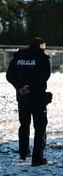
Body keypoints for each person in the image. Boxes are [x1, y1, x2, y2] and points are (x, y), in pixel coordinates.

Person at [6, 37, 51, 167]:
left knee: (24, 124)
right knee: (40, 126)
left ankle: (23, 152)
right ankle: (37, 158)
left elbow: (10, 75)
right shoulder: (42, 58)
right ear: (41, 46)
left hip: (22, 97)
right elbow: (45, 76)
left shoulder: (18, 57)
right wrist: (31, 88)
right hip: (37, 97)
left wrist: (20, 87)